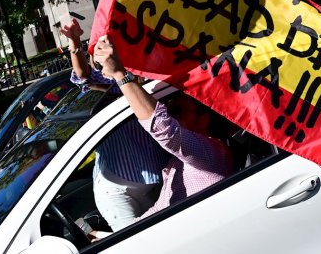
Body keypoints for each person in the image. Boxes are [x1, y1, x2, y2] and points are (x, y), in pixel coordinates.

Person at [93, 34, 234, 222]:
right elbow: (160, 208)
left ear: (205, 119)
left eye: (177, 110)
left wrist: (120, 74)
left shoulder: (211, 153)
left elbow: (165, 130)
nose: (170, 114)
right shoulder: (183, 160)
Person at [61, 19, 169, 231]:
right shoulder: (107, 85)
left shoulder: (149, 80)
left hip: (158, 180)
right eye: (99, 50)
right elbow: (83, 76)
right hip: (119, 191)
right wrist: (74, 41)